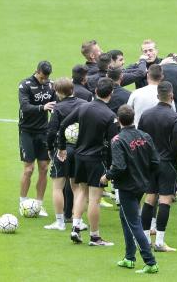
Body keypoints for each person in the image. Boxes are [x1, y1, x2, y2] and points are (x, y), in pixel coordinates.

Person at [58, 77, 119, 246]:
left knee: (81, 192)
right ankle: (95, 237)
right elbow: (114, 144)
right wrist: (112, 167)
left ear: (96, 91)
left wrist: (62, 147)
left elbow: (63, 124)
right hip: (95, 160)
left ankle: (75, 228)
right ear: (111, 94)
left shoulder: (83, 107)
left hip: (79, 157)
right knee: (94, 199)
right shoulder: (110, 116)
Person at [101, 104, 160, 274]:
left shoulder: (118, 140)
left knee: (134, 223)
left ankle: (150, 262)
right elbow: (155, 161)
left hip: (127, 186)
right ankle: (129, 257)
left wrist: (106, 176)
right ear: (133, 118)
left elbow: (119, 167)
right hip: (142, 184)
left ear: (118, 120)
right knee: (125, 217)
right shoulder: (145, 136)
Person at [138, 81, 177, 253]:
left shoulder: (146, 115)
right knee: (165, 200)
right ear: (171, 96)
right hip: (167, 164)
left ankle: (144, 240)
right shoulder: (175, 117)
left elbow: (140, 140)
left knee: (149, 199)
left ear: (158, 96)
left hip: (149, 164)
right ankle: (160, 242)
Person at [45, 77, 88, 231]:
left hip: (62, 150)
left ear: (58, 92)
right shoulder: (84, 104)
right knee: (77, 188)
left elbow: (51, 131)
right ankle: (78, 221)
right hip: (80, 151)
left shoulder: (58, 108)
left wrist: (50, 148)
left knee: (58, 186)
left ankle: (60, 222)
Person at [18, 60, 56, 217]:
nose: (44, 80)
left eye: (46, 78)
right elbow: (25, 107)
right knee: (28, 169)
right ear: (37, 71)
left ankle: (39, 205)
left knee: (44, 168)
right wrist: (42, 107)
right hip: (27, 131)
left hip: (43, 132)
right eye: (42, 77)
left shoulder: (51, 85)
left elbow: (56, 105)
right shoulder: (25, 85)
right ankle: (23, 202)